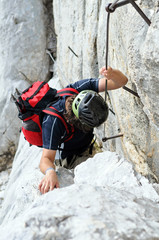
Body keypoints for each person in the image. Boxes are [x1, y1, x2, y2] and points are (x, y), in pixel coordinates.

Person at [39, 66, 128, 194]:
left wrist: (113, 73)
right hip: (68, 157)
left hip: (84, 145)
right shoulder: (53, 121)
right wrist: (50, 172)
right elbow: (45, 159)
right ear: (78, 121)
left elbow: (122, 81)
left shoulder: (79, 89)